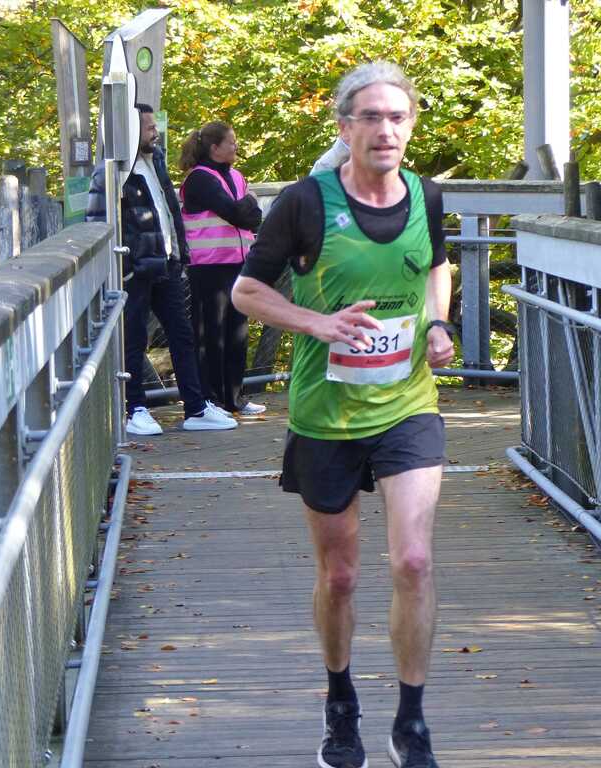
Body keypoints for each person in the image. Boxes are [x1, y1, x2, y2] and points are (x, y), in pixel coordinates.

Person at [232, 63, 455, 768]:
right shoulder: (304, 203)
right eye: (371, 117)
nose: (386, 130)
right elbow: (245, 292)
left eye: (398, 117)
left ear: (410, 126)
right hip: (326, 415)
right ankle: (340, 702)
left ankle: (411, 722)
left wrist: (437, 322)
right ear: (345, 127)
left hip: (407, 405)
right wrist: (317, 323)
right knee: (341, 577)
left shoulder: (427, 195)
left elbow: (435, 264)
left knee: (413, 560)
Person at [86, 103, 237, 435]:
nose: (156, 132)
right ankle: (135, 408)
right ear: (130, 130)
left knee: (183, 335)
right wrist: (126, 265)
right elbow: (97, 221)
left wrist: (180, 253)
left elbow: (168, 210)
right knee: (134, 338)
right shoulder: (110, 172)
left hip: (166, 262)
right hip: (136, 268)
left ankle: (196, 407)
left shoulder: (156, 161)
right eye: (149, 127)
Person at [179, 121, 265, 416]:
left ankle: (234, 397)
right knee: (211, 333)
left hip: (238, 263)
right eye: (231, 142)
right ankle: (210, 398)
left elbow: (252, 218)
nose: (236, 146)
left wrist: (246, 208)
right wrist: (249, 202)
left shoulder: (236, 176)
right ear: (215, 148)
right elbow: (236, 213)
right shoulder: (200, 179)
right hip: (210, 265)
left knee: (236, 332)